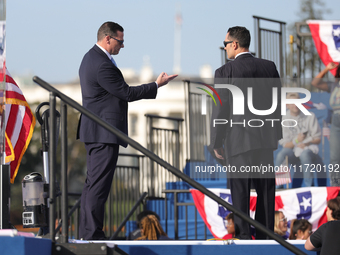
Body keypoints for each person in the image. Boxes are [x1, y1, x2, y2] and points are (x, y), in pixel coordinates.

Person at [77, 21, 177, 240]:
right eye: (120, 42)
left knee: (93, 184)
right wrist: (156, 85)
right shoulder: (102, 64)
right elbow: (127, 93)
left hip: (97, 131)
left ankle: (87, 231)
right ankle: (92, 233)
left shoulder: (91, 58)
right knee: (98, 186)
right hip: (103, 132)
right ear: (107, 38)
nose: (122, 46)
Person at [210, 26, 282, 240]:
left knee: (240, 192)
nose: (224, 48)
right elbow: (278, 103)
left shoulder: (225, 72)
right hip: (265, 140)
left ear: (234, 44)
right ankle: (266, 236)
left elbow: (220, 109)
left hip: (238, 140)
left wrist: (216, 141)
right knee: (265, 190)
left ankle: (243, 237)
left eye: (225, 43)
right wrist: (275, 134)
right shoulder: (269, 67)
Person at [275, 92, 324, 187]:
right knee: (282, 154)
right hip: (293, 152)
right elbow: (285, 144)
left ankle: (309, 187)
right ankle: (279, 187)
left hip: (309, 150)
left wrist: (307, 143)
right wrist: (297, 141)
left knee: (305, 155)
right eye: (292, 102)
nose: (295, 105)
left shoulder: (310, 115)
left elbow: (318, 139)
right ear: (287, 105)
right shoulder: (283, 118)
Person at [311, 62, 340, 186]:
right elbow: (315, 83)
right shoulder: (334, 86)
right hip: (336, 122)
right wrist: (326, 69)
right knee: (334, 158)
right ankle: (335, 187)